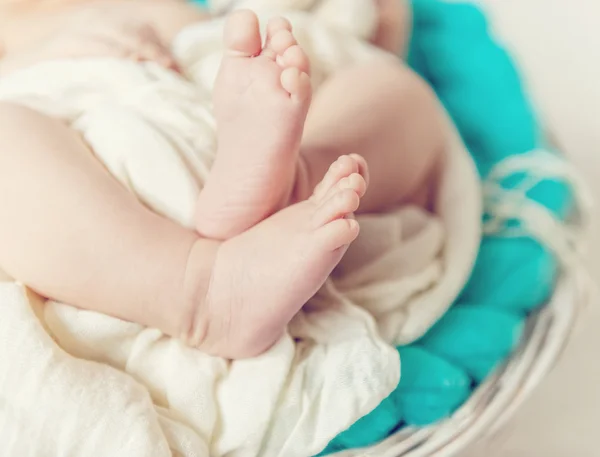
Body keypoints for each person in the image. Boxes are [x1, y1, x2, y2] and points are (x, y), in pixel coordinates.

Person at [0, 0, 444, 358]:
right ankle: (203, 291)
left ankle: (291, 183)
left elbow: (369, 29)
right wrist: (36, 55)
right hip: (86, 161)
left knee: (393, 89)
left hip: (229, 96)